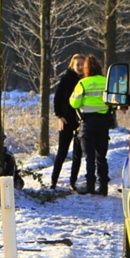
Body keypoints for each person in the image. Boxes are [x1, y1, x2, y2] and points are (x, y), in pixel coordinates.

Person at [68, 55, 110, 195]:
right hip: (103, 123)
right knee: (101, 157)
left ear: (86, 69)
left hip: (87, 123)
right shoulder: (107, 82)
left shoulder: (83, 84)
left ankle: (90, 186)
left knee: (89, 157)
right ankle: (103, 187)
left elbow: (74, 103)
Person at [51, 54, 85, 189]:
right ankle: (53, 181)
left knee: (78, 153)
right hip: (66, 120)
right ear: (72, 65)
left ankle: (73, 182)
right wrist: (59, 116)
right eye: (78, 64)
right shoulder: (65, 79)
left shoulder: (87, 80)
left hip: (81, 121)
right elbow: (57, 99)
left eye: (82, 64)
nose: (80, 67)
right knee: (62, 152)